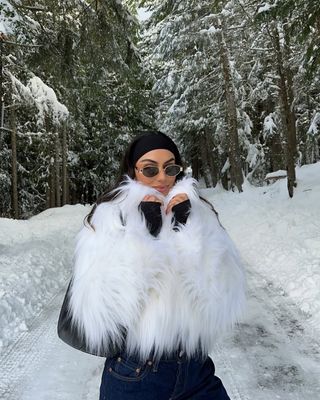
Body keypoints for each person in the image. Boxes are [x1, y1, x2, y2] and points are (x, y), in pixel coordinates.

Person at [57, 130, 246, 400]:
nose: (162, 177)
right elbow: (101, 311)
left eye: (170, 168)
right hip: (136, 374)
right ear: (133, 171)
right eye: (149, 169)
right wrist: (146, 235)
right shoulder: (110, 217)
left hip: (196, 370)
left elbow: (222, 297)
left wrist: (189, 232)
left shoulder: (197, 212)